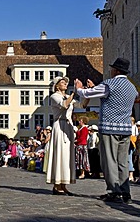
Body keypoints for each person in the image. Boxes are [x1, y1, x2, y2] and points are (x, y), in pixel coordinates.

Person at [75, 58, 138, 204]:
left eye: (112, 69)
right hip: (126, 128)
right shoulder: (131, 87)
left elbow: (88, 94)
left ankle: (114, 191)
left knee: (109, 160)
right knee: (122, 162)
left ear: (115, 70)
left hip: (110, 127)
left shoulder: (110, 84)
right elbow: (131, 98)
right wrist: (96, 87)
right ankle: (125, 192)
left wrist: (79, 88)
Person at [46, 76, 89, 196]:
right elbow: (64, 105)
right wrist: (75, 92)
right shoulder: (55, 96)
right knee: (60, 154)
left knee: (66, 156)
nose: (65, 84)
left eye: (66, 83)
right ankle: (57, 185)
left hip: (68, 127)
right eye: (62, 83)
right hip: (60, 126)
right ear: (57, 86)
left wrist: (87, 93)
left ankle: (63, 184)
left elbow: (82, 105)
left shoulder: (68, 97)